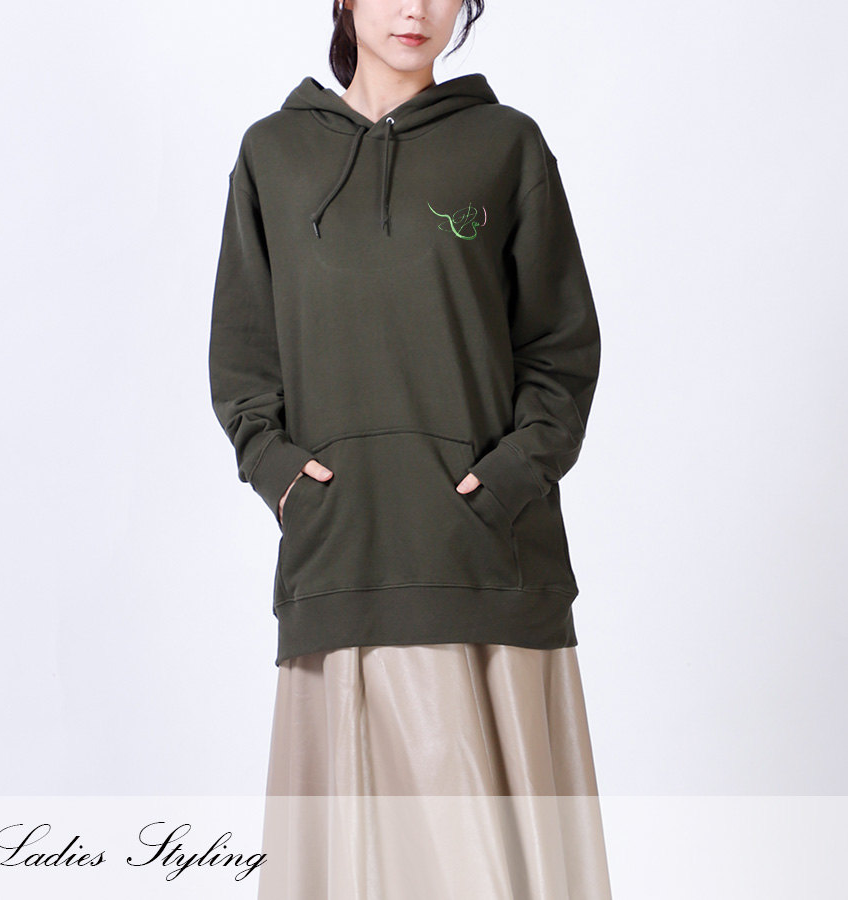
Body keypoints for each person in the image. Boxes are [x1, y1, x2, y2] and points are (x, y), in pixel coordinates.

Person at [208, 1, 614, 897]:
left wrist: (504, 483)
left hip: (484, 563)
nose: (415, 9)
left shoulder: (507, 146)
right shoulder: (273, 155)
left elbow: (562, 351)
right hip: (341, 562)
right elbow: (242, 365)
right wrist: (282, 477)